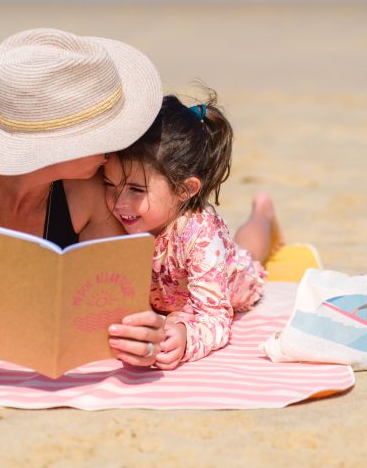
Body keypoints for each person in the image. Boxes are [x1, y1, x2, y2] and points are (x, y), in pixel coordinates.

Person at [0, 28, 167, 367]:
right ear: (55, 146)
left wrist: (141, 339)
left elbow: (116, 312)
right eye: (105, 131)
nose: (118, 143)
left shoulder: (93, 182)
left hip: (47, 251)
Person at [102, 91, 283, 370]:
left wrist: (187, 338)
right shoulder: (126, 214)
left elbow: (214, 317)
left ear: (185, 189)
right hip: (173, 299)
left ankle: (263, 212)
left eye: (136, 190)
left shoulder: (200, 233)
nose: (118, 201)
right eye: (109, 185)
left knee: (249, 255)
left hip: (232, 281)